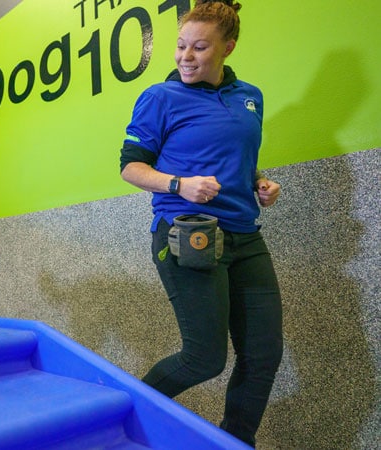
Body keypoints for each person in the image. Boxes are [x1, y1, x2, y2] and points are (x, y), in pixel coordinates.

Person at [119, 0, 283, 447]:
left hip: (246, 238)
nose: (186, 57)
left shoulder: (250, 97)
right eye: (180, 46)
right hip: (187, 234)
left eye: (199, 47)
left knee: (264, 355)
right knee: (204, 359)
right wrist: (178, 184)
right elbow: (131, 168)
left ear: (227, 48)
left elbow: (237, 161)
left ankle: (236, 441)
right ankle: (121, 413)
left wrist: (260, 183)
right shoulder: (160, 97)